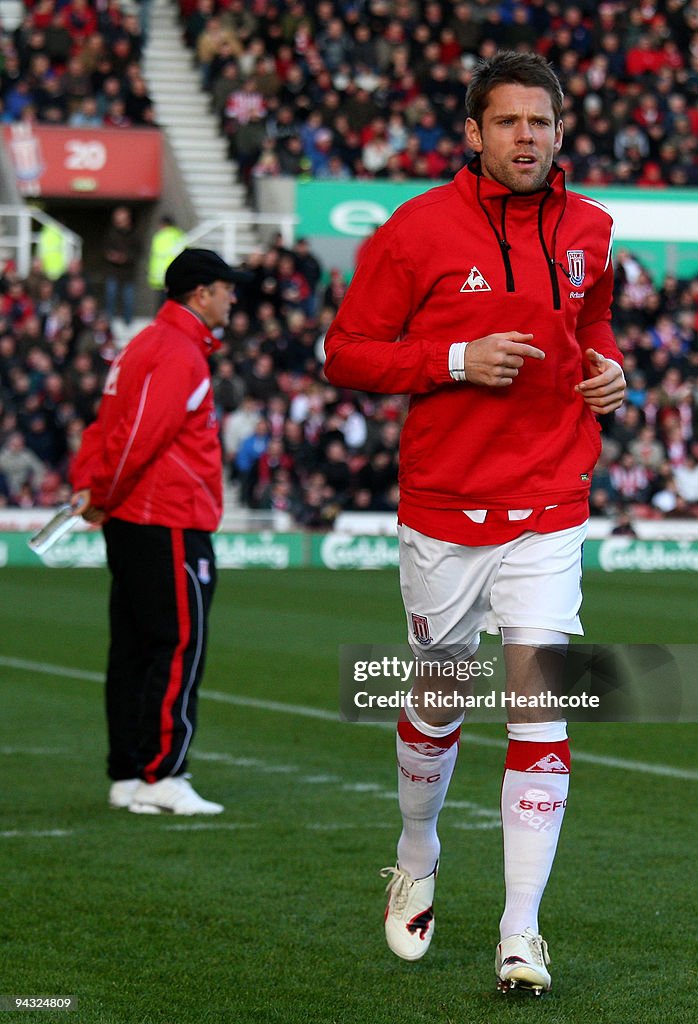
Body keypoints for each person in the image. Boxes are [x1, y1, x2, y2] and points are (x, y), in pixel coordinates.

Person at [324, 51, 625, 995]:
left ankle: (520, 931)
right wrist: (454, 356)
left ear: (559, 130)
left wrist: (609, 372)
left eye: (540, 122)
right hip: (445, 509)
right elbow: (345, 353)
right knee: (439, 697)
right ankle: (417, 851)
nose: (525, 137)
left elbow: (595, 328)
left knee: (541, 708)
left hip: (548, 501)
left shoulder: (590, 229)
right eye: (506, 123)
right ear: (473, 133)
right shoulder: (413, 230)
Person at [70, 249, 251, 816]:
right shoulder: (177, 353)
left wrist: (93, 489)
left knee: (132, 648)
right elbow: (138, 438)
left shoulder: (148, 345)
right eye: (226, 288)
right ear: (201, 294)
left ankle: (129, 772)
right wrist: (101, 493)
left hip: (137, 517)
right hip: (166, 517)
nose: (233, 298)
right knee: (176, 647)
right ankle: (162, 772)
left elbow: (106, 426)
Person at [102, 205, 141, 327]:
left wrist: (125, 258)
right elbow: (105, 248)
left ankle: (127, 324)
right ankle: (109, 323)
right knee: (110, 295)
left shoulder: (135, 235)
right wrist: (111, 255)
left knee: (128, 299)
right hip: (113, 271)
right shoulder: (111, 233)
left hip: (128, 273)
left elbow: (138, 252)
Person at [147, 215, 186, 310]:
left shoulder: (159, 237)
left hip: (160, 276)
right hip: (175, 275)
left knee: (161, 305)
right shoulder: (180, 236)